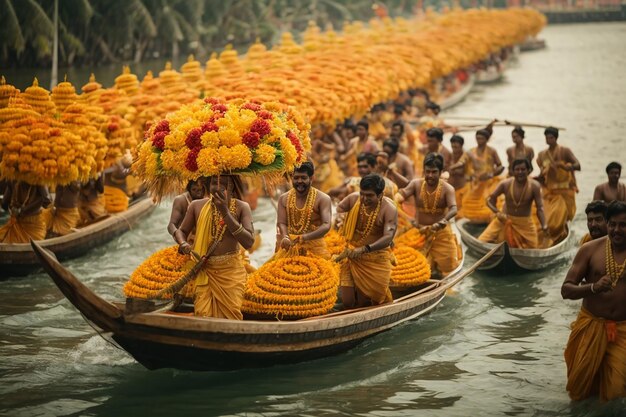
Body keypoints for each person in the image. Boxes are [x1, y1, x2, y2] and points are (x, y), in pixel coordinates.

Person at [561, 200, 626, 402]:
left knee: (616, 391)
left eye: (623, 225)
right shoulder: (589, 249)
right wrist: (593, 287)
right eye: (612, 224)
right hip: (590, 326)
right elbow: (566, 290)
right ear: (607, 224)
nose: (617, 229)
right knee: (579, 391)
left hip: (622, 331)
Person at [174, 175, 255, 319]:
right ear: (207, 185)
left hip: (231, 273)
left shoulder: (242, 207)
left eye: (223, 183)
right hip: (205, 271)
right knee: (202, 315)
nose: (218, 187)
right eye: (213, 183)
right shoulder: (196, 206)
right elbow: (181, 231)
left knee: (231, 317)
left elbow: (249, 242)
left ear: (232, 187)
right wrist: (183, 243)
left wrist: (225, 212)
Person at [337, 174, 397, 308]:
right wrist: (341, 218)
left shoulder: (388, 209)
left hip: (375, 260)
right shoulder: (353, 199)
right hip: (351, 256)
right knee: (347, 301)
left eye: (369, 195)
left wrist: (365, 249)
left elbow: (388, 237)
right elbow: (338, 209)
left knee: (366, 303)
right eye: (362, 194)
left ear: (380, 195)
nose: (364, 199)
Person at [395, 153, 461, 275]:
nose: (430, 175)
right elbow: (400, 196)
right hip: (419, 232)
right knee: (406, 266)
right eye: (427, 172)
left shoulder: (448, 189)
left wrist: (443, 222)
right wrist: (397, 201)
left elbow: (453, 209)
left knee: (449, 268)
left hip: (441, 233)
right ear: (424, 171)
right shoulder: (415, 184)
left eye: (434, 172)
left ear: (441, 172)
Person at [478, 159, 549, 249]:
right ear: (512, 171)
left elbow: (540, 208)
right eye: (517, 169)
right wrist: (497, 212)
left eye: (523, 169)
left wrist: (544, 225)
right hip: (504, 220)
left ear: (528, 170)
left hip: (525, 224)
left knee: (533, 247)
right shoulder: (505, 184)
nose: (520, 172)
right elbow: (489, 200)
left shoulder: (534, 186)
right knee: (481, 242)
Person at [276, 161, 332, 259]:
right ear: (292, 178)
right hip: (290, 246)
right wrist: (285, 237)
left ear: (311, 178)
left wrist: (304, 237)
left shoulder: (323, 199)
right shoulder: (283, 198)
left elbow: (326, 225)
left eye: (303, 177)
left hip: (315, 250)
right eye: (296, 178)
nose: (299, 181)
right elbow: (281, 222)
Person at [536, 127, 581, 242]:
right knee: (544, 218)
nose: (548, 139)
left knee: (558, 218)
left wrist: (567, 167)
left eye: (551, 137)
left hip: (564, 192)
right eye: (546, 137)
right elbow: (542, 175)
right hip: (550, 193)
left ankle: (562, 233)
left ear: (556, 138)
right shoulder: (542, 155)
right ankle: (552, 237)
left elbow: (578, 165)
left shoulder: (564, 151)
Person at [462, 128, 505, 224]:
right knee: (468, 203)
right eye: (477, 138)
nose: (479, 141)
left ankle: (489, 222)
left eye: (481, 138)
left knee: (489, 202)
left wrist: (491, 174)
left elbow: (500, 166)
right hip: (476, 183)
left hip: (489, 183)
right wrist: (469, 176)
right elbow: (466, 168)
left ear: (486, 139)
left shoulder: (492, 151)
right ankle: (477, 222)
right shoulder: (471, 152)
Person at [329, 153, 397, 201]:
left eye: (365, 167)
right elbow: (331, 192)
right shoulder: (353, 181)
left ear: (374, 167)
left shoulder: (387, 185)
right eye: (359, 167)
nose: (361, 170)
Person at [447, 135, 472, 218]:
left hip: (462, 188)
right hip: (451, 189)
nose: (454, 148)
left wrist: (453, 170)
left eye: (456, 146)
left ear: (461, 146)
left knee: (459, 214)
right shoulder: (450, 155)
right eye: (452, 146)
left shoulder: (466, 156)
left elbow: (466, 173)